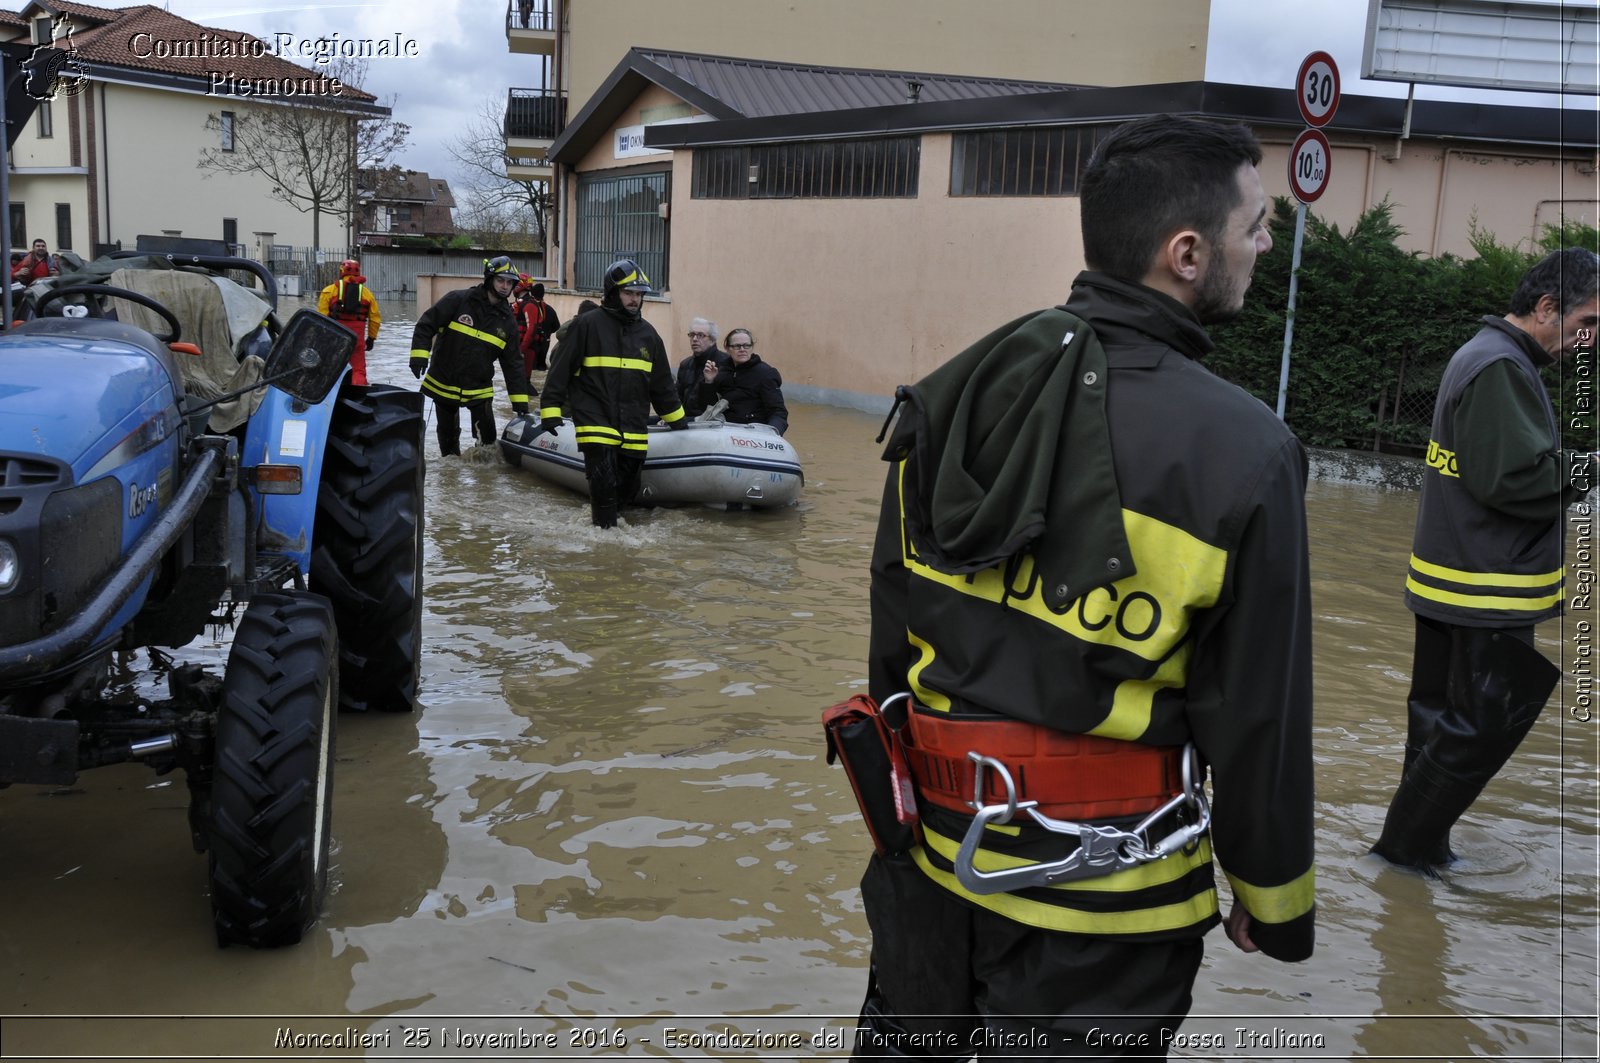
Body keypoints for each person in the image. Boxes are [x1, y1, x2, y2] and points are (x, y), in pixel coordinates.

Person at [855, 114, 1314, 1058]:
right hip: (1105, 913)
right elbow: (1258, 715)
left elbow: (891, 649)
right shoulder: (1245, 452)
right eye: (1257, 224)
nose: (1267, 244)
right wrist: (1275, 899)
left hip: (932, 869)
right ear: (1186, 253)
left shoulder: (955, 393)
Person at [1372, 247, 1599, 873]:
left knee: (1439, 727)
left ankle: (1414, 862)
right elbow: (1515, 481)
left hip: (1453, 582)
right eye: (1587, 324)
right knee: (1481, 727)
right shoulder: (1500, 366)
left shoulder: (1482, 355)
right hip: (1485, 589)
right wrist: (1587, 466)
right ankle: (1405, 853)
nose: (1590, 340)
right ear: (1547, 308)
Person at [538, 259, 687, 528]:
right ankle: (603, 546)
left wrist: (678, 420)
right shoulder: (586, 325)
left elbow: (662, 385)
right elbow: (559, 371)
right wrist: (550, 411)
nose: (634, 299)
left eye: (639, 294)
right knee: (604, 481)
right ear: (612, 293)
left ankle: (611, 535)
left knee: (629, 488)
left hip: (633, 425)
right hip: (595, 419)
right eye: (628, 293)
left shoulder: (650, 336)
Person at [409, 256, 533, 457]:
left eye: (509, 282)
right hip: (444, 381)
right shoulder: (458, 300)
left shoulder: (507, 321)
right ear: (489, 279)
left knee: (488, 445)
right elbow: (426, 324)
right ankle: (451, 482)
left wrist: (520, 403)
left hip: (479, 388)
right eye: (500, 280)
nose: (504, 286)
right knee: (448, 446)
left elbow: (513, 364)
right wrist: (419, 356)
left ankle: (485, 484)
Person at [699, 327, 788, 434]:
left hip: (753, 433)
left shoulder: (766, 373)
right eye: (737, 346)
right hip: (723, 430)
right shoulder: (720, 370)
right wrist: (709, 382)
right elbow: (708, 407)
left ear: (752, 347)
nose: (742, 349)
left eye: (746, 345)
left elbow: (778, 412)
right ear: (727, 348)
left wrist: (772, 434)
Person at [317, 258, 381, 386]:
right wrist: (371, 338)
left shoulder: (329, 291)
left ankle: (330, 395)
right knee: (358, 370)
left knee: (330, 367)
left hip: (335, 337)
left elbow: (321, 318)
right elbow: (375, 318)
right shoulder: (367, 294)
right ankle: (357, 394)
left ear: (341, 271)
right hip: (357, 339)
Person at [675, 316, 731, 418]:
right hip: (683, 418)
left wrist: (708, 383)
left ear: (712, 340)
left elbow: (720, 404)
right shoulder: (685, 364)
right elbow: (676, 397)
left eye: (700, 335)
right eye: (692, 335)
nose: (695, 339)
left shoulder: (725, 362)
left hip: (708, 422)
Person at [518, 281, 561, 376]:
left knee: (530, 369)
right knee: (541, 367)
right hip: (545, 342)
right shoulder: (550, 309)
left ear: (531, 293)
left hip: (532, 343)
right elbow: (557, 326)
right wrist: (547, 333)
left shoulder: (527, 306)